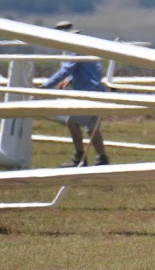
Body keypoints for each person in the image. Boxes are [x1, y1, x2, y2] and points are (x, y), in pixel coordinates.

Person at [39, 22, 110, 166]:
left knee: (72, 122)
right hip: (97, 92)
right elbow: (93, 69)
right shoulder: (87, 48)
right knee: (91, 129)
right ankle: (102, 159)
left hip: (89, 94)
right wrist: (70, 80)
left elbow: (66, 70)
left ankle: (79, 158)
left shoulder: (77, 51)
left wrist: (46, 86)